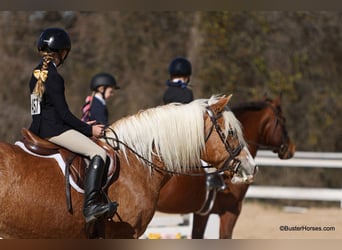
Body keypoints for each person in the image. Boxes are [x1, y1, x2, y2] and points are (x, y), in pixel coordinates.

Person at [28, 27, 118, 224]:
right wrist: (89, 129)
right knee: (99, 154)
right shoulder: (54, 77)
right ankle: (91, 205)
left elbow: (43, 111)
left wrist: (82, 125)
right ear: (62, 52)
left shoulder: (36, 75)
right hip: (54, 131)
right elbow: (64, 114)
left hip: (37, 129)